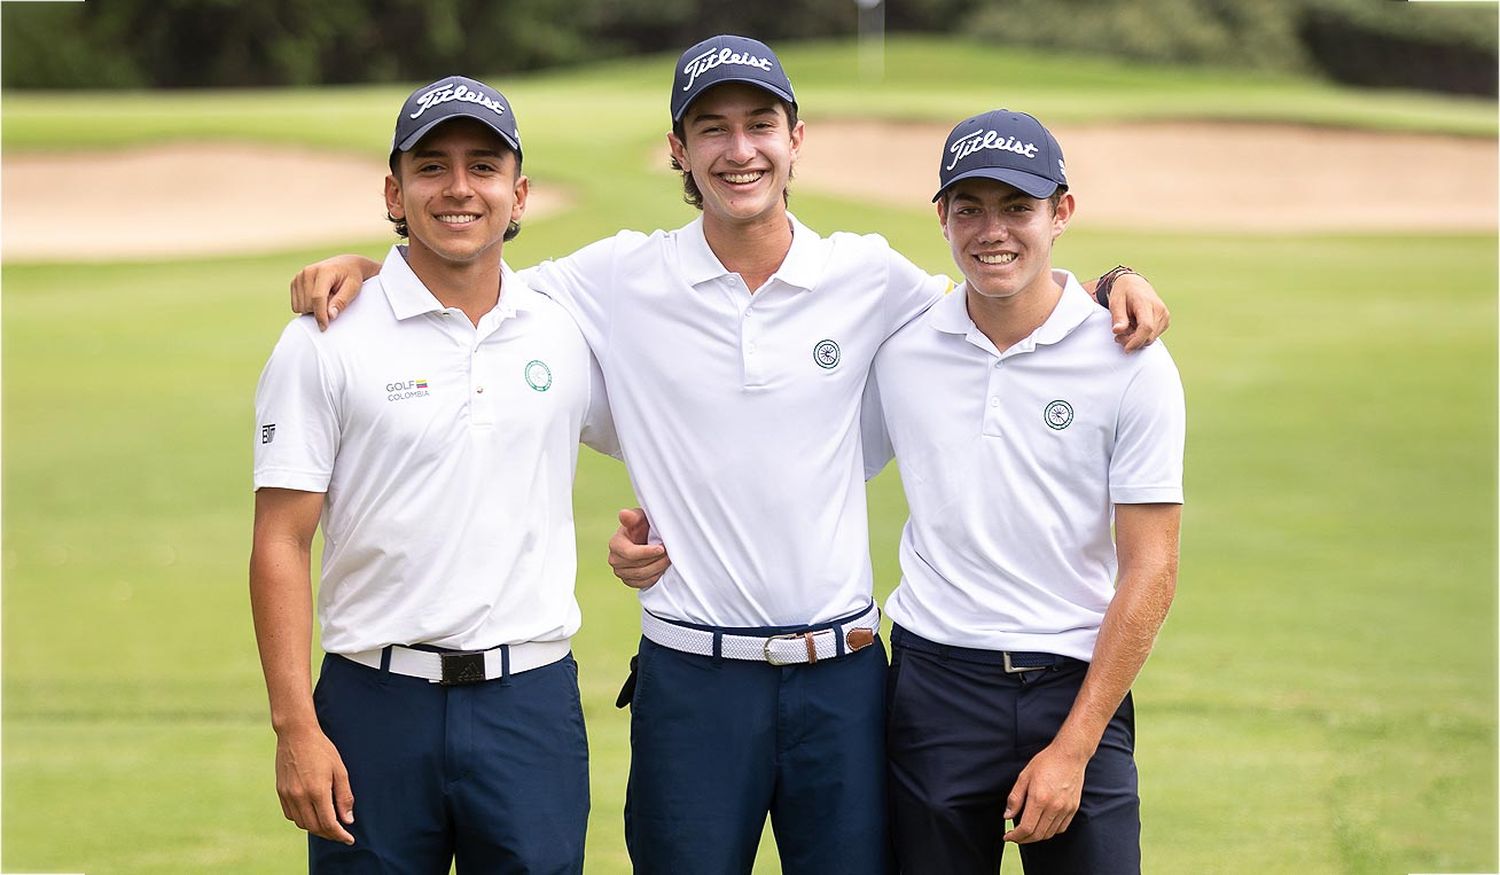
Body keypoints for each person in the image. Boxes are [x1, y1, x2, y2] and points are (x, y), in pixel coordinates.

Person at [285, 37, 1169, 874]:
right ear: (679, 147)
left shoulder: (871, 279)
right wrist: (373, 268)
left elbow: (999, 283)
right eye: (712, 127)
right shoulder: (615, 279)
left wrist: (1109, 281)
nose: (737, 149)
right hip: (691, 681)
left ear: (795, 140)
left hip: (844, 681)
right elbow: (468, 271)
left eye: (759, 125)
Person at [249, 75, 616, 874]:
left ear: (518, 195)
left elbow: (674, 445)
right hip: (373, 705)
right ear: (394, 189)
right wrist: (295, 726)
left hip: (529, 703)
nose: (458, 188)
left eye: (483, 167)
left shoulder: (564, 331)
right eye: (431, 166)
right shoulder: (323, 340)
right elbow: (281, 538)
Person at [860, 108, 1185, 874]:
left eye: (1017, 208)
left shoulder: (1131, 360)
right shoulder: (902, 348)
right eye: (968, 208)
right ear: (940, 216)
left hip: (1076, 687)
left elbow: (1153, 570)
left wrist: (1072, 749)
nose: (991, 231)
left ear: (1061, 212)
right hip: (934, 685)